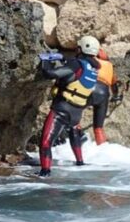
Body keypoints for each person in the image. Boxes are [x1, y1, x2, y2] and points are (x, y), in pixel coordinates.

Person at [37, 35, 101, 177]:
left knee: (45, 143)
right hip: (76, 113)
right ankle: (80, 162)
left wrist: (45, 59)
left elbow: (49, 74)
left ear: (80, 49)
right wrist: (63, 59)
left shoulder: (76, 64)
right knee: (73, 131)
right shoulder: (94, 69)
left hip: (61, 110)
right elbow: (75, 75)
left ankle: (45, 173)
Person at [88, 49, 121, 145]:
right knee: (98, 128)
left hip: (88, 89)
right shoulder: (110, 66)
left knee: (74, 118)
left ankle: (77, 139)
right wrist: (116, 96)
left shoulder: (90, 61)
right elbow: (114, 85)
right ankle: (102, 148)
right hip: (103, 93)